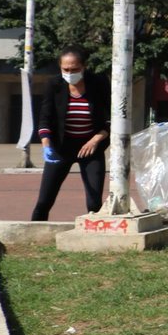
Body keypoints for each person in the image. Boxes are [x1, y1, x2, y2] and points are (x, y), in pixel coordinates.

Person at [31, 48, 110, 221]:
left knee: (94, 202)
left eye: (75, 69)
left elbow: (110, 120)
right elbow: (45, 118)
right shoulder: (54, 85)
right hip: (61, 149)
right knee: (44, 201)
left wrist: (95, 140)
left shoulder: (98, 83)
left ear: (84, 66)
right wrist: (46, 145)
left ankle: (93, 233)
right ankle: (34, 229)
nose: (70, 73)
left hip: (90, 149)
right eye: (65, 69)